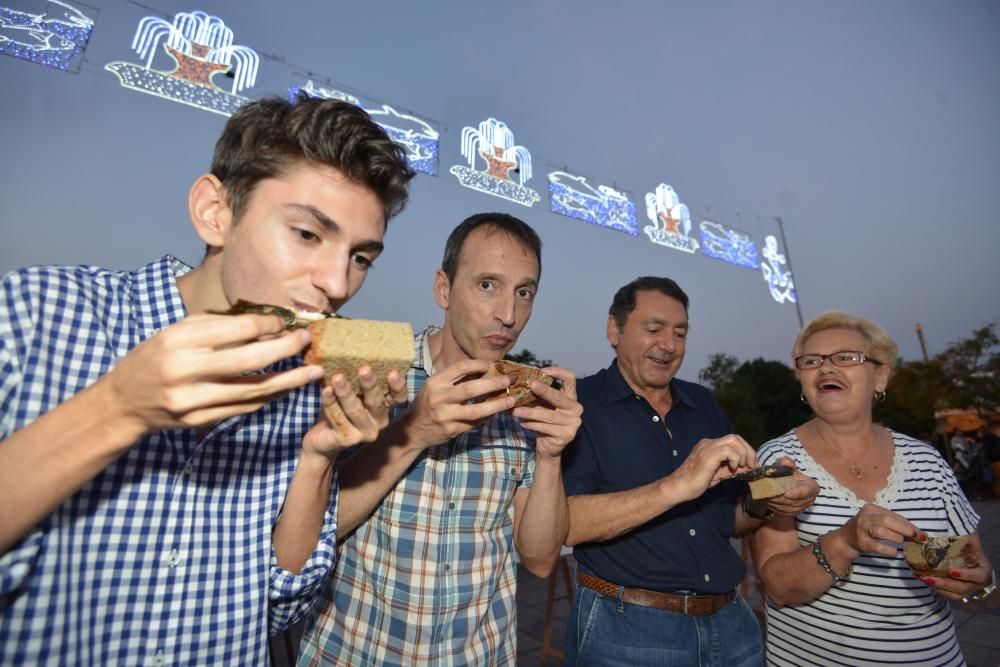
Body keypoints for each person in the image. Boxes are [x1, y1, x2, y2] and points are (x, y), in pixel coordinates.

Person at [0, 96, 415, 665]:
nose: (338, 283)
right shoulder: (39, 311)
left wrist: (318, 459)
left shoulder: (309, 386)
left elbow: (279, 607)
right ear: (215, 212)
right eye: (307, 234)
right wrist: (119, 408)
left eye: (361, 257)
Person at [297, 213, 583, 666]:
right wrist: (412, 432)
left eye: (524, 293)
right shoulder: (370, 368)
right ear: (443, 289)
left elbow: (541, 560)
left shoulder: (525, 400)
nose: (508, 315)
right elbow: (306, 539)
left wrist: (550, 456)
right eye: (487, 285)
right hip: (355, 653)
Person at [560, 276, 819, 666]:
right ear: (614, 329)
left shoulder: (703, 402)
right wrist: (677, 484)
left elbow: (731, 519)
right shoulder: (578, 404)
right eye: (654, 329)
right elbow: (566, 524)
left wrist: (772, 498)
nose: (669, 345)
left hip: (733, 626)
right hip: (628, 630)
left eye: (680, 333)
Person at [751, 311, 999, 666]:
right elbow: (776, 584)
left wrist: (980, 585)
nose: (827, 368)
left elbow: (973, 580)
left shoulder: (929, 462)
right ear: (802, 380)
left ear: (880, 376)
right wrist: (845, 541)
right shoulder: (773, 461)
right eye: (812, 361)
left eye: (846, 357)